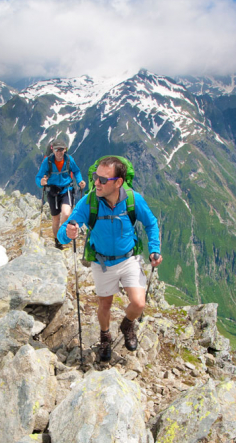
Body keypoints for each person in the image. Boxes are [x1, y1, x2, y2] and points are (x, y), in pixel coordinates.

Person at [58, 156, 162, 362]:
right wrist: (67, 233)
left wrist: (154, 249)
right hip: (102, 262)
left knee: (139, 303)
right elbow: (63, 233)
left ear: (118, 182)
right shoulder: (89, 202)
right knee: (105, 305)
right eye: (95, 177)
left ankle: (127, 325)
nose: (96, 182)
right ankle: (105, 337)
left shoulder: (133, 200)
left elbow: (151, 223)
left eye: (103, 180)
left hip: (128, 259)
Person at [35, 137, 86, 249]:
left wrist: (80, 181)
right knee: (55, 219)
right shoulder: (47, 161)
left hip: (67, 190)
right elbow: (38, 177)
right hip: (52, 191)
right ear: (52, 149)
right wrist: (41, 182)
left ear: (65, 149)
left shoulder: (69, 160)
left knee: (66, 213)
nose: (59, 152)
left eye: (61, 149)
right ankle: (57, 241)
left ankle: (63, 236)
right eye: (56, 149)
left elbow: (76, 171)